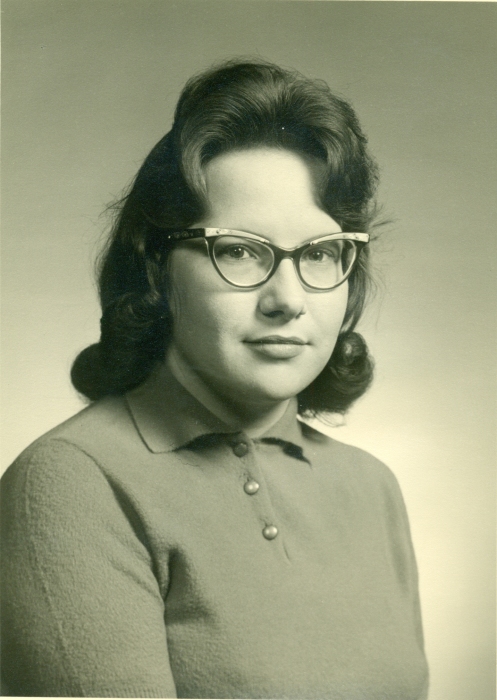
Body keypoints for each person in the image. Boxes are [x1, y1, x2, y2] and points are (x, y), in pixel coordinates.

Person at [1, 59, 429, 698]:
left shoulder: (372, 487)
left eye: (320, 253)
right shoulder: (70, 483)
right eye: (239, 250)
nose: (288, 300)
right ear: (157, 267)